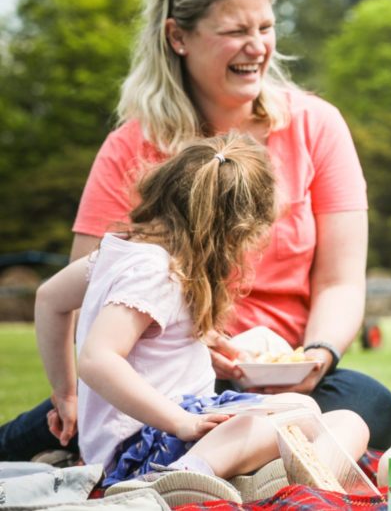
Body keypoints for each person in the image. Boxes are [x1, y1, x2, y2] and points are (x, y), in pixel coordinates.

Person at [0, 0, 391, 464]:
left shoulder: (317, 125)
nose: (256, 47)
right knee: (48, 425)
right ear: (178, 37)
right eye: (236, 31)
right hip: (161, 374)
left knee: (370, 405)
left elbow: (340, 283)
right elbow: (89, 290)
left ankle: (205, 462)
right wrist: (188, 347)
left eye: (266, 27)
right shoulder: (131, 147)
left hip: (287, 378)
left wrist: (317, 356)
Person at [34, 135, 369, 505]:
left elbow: (49, 299)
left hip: (180, 433)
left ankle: (277, 483)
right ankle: (182, 477)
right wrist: (182, 422)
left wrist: (65, 394)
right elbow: (98, 359)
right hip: (149, 445)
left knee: (347, 422)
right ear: (229, 232)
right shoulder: (154, 270)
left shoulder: (125, 253)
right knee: (280, 417)